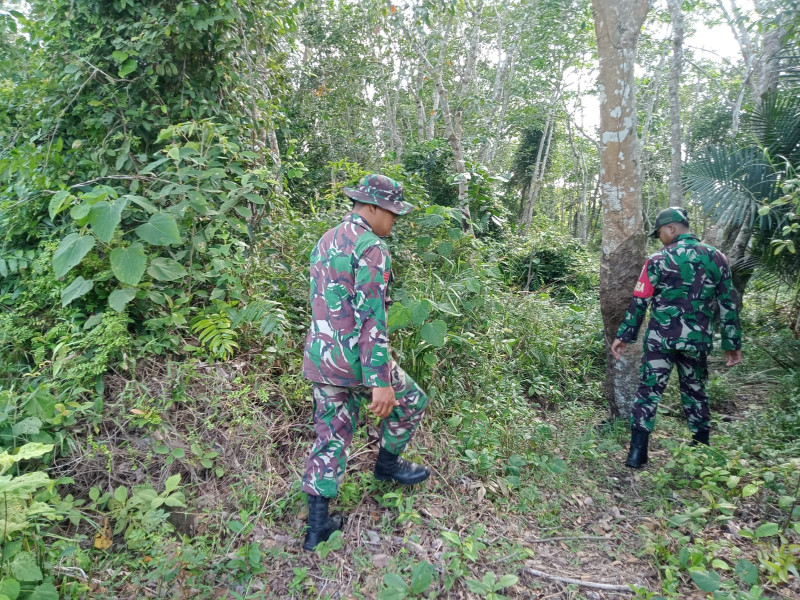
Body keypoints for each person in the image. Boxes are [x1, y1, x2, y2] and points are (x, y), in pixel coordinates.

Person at [300, 174, 431, 551]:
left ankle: (317, 528)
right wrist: (380, 380)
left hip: (322, 358)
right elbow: (372, 319)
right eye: (392, 213)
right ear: (372, 207)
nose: (394, 222)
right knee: (413, 401)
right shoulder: (372, 247)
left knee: (331, 435)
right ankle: (388, 466)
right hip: (356, 361)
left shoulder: (326, 240)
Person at [611, 207, 743, 469]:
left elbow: (640, 301)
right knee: (695, 392)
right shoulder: (717, 258)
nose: (660, 237)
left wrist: (624, 336)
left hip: (661, 341)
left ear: (671, 228)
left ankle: (637, 454)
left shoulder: (658, 259)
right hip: (696, 341)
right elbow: (729, 303)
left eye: (660, 232)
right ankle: (701, 450)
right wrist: (732, 343)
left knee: (648, 392)